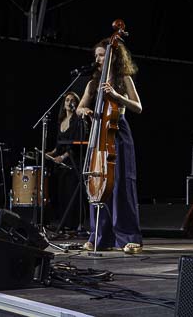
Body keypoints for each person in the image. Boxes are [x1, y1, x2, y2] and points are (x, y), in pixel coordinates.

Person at [76, 38, 143, 254]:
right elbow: (79, 108)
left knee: (121, 185)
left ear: (113, 56)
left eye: (101, 55)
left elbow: (138, 107)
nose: (97, 59)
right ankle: (99, 236)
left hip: (118, 135)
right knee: (98, 183)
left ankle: (128, 237)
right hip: (98, 136)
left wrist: (116, 96)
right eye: (96, 55)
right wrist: (83, 111)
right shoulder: (92, 83)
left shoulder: (124, 79)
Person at [46, 91, 85, 232]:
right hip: (61, 166)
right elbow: (58, 146)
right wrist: (50, 154)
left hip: (73, 164)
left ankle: (75, 225)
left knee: (71, 194)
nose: (70, 102)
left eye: (73, 100)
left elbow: (75, 145)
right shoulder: (61, 121)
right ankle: (64, 224)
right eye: (67, 100)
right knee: (62, 194)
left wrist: (62, 157)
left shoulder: (78, 121)